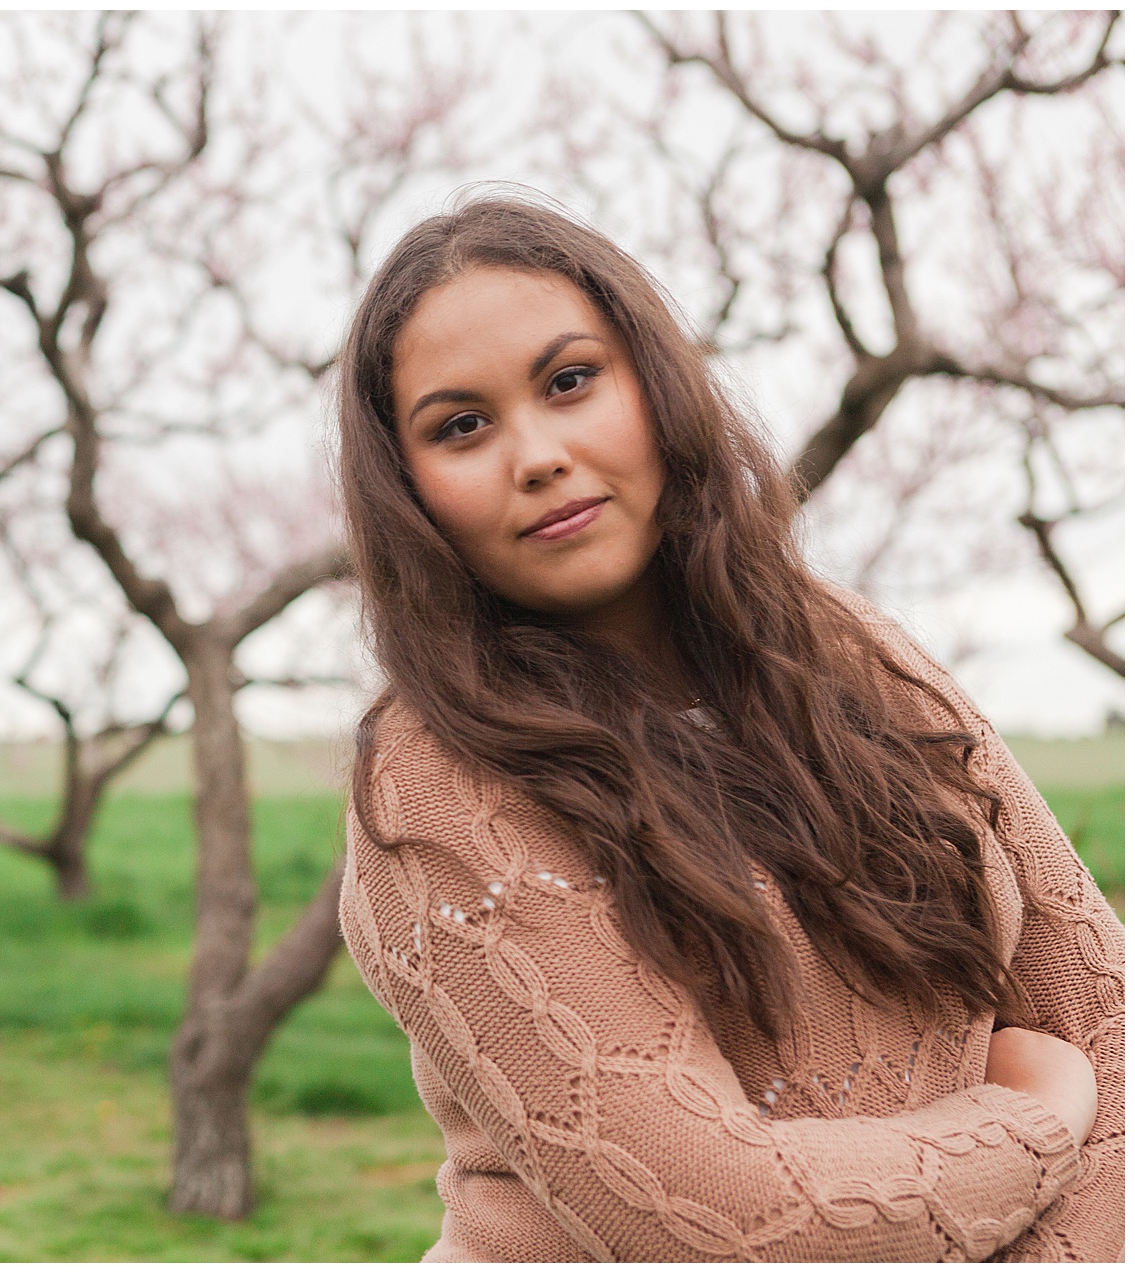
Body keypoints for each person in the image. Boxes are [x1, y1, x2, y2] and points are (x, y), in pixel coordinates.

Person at [334, 194, 1123, 1262]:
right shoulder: (433, 780)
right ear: (407, 489)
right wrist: (1029, 1125)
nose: (535, 454)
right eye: (460, 425)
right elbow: (718, 1218)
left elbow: (1103, 1023)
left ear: (656, 387)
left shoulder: (850, 652)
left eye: (570, 381)